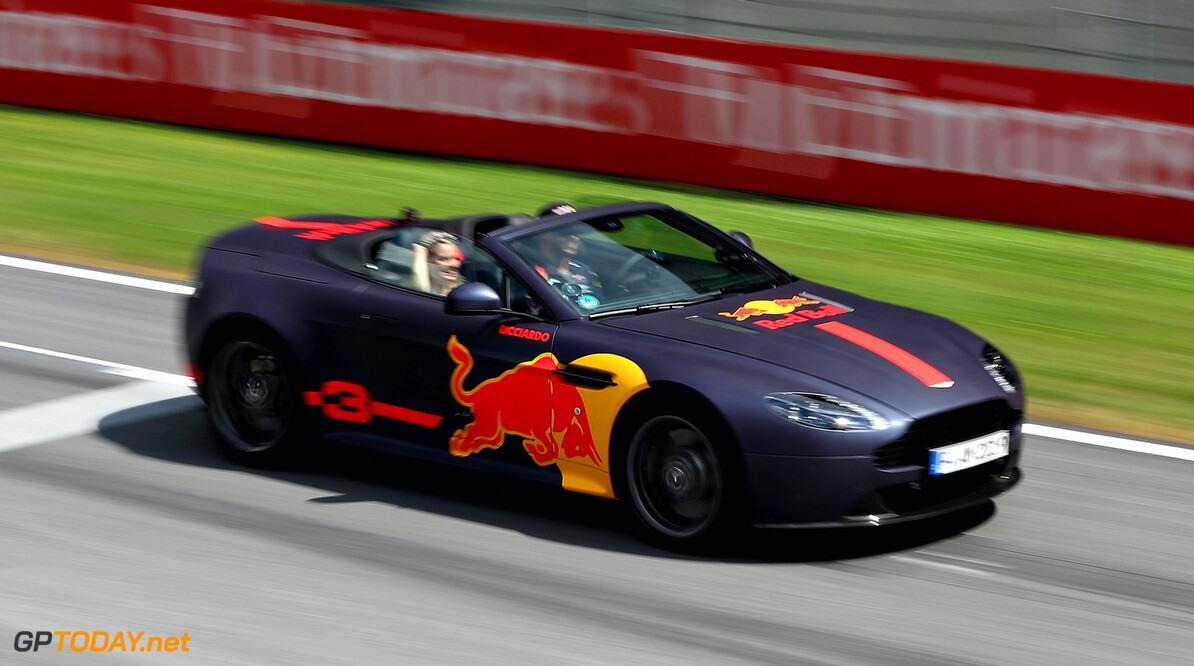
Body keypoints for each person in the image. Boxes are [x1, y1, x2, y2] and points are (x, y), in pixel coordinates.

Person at [411, 230, 465, 296]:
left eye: (457, 259)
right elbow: (421, 291)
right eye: (444, 259)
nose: (455, 265)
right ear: (426, 260)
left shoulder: (463, 292)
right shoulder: (409, 289)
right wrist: (420, 252)